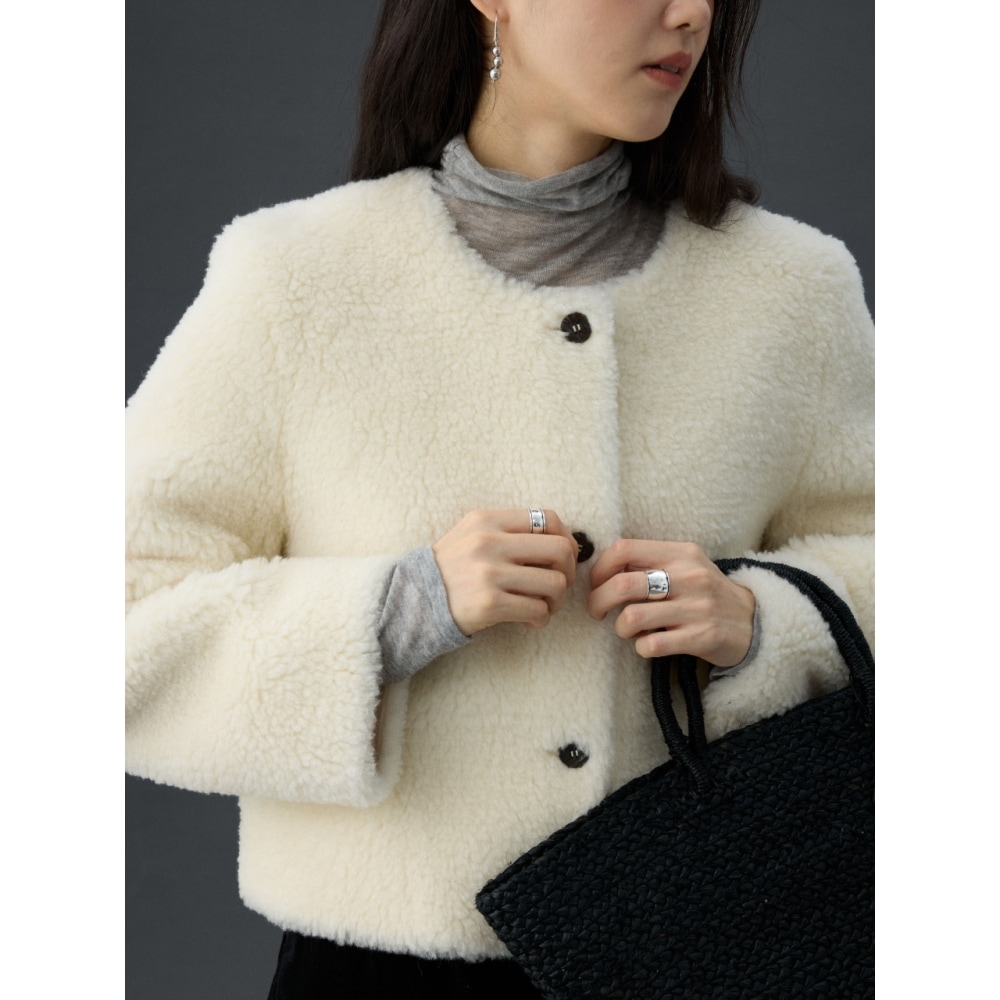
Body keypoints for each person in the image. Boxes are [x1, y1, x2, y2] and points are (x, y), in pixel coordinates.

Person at [125, 0, 874, 995]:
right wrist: (404, 607)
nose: (691, 13)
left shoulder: (791, 288)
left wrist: (762, 623)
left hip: (709, 950)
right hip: (374, 975)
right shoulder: (296, 277)